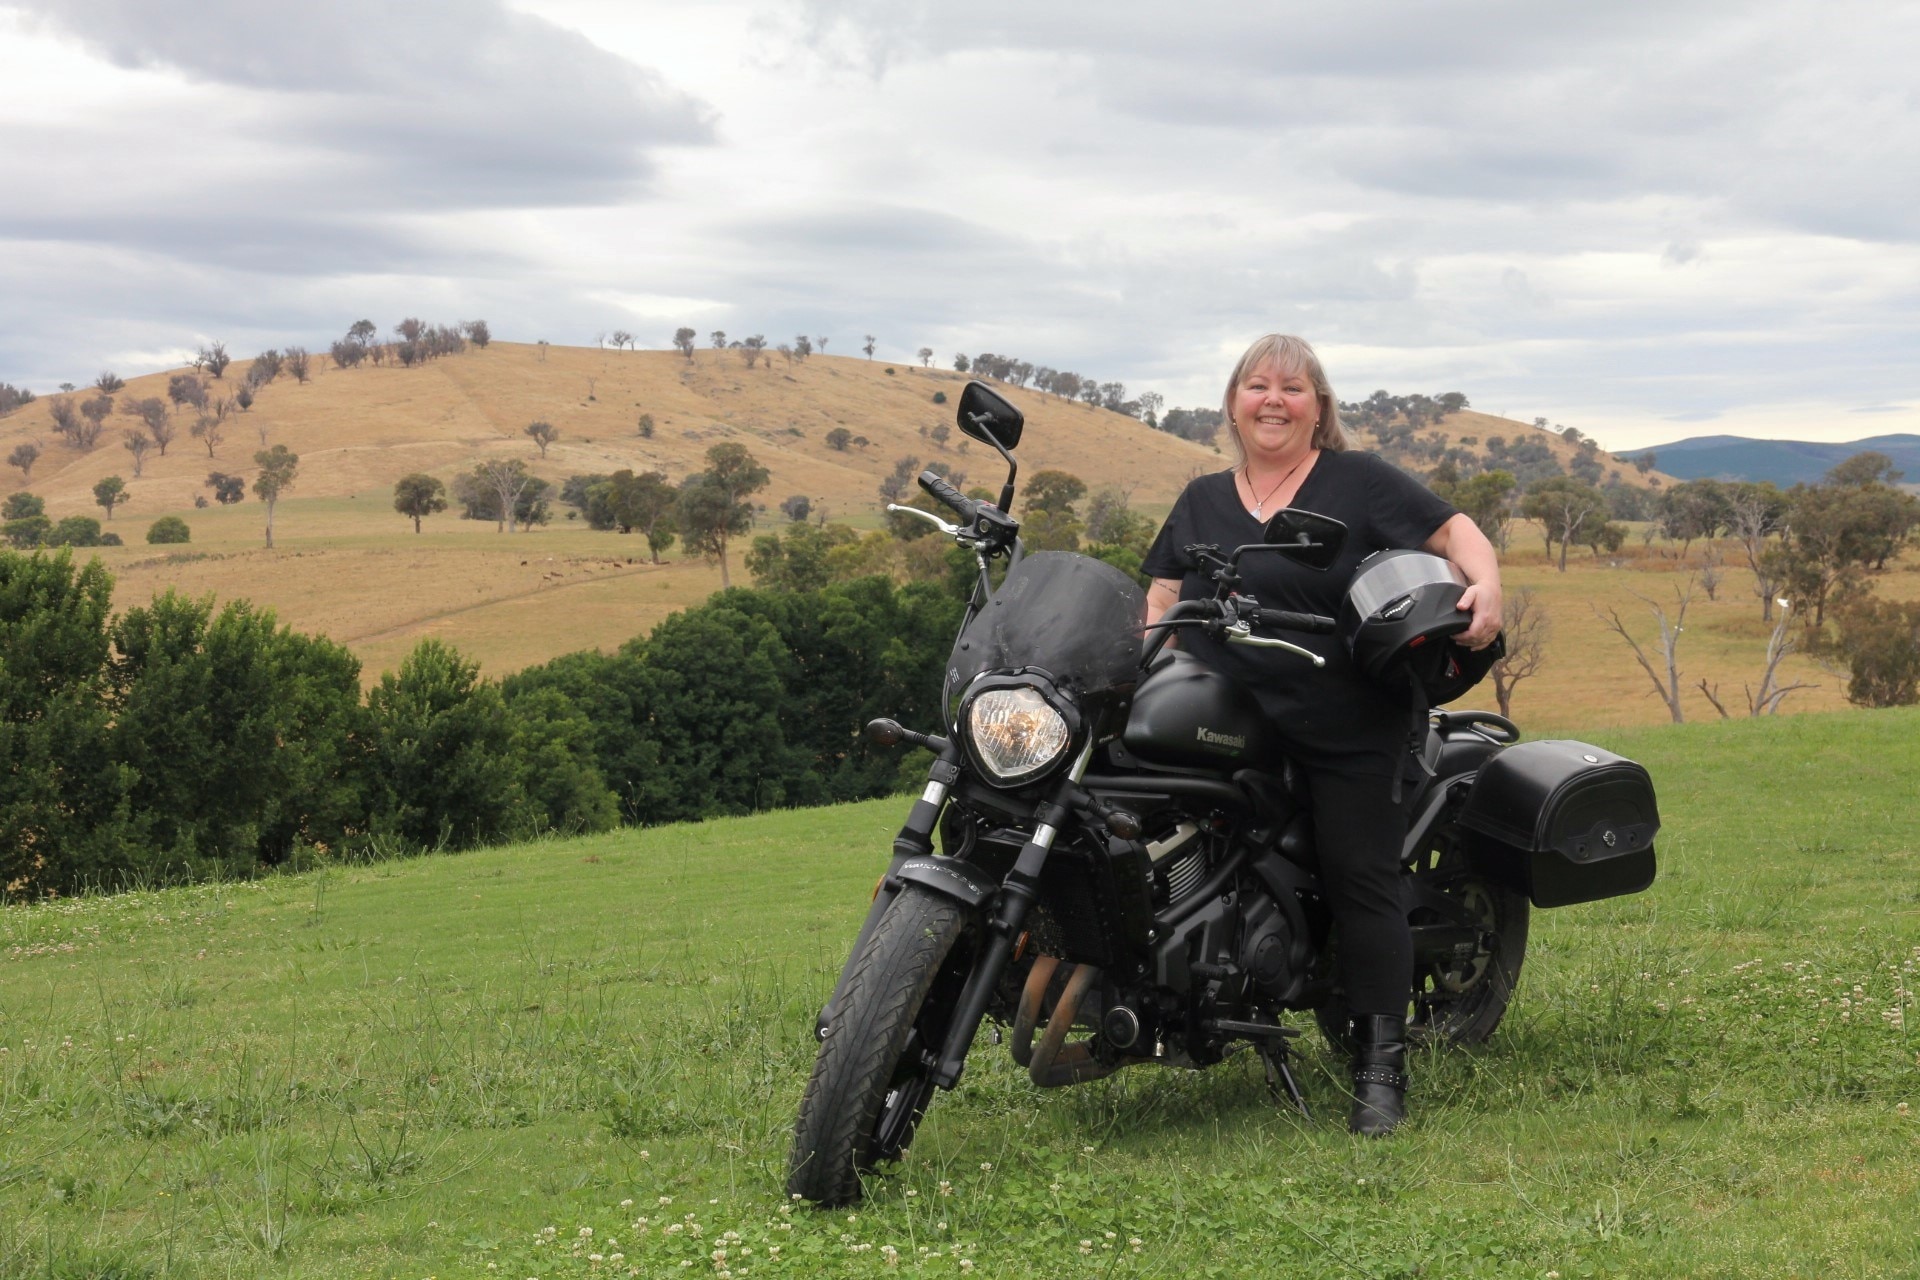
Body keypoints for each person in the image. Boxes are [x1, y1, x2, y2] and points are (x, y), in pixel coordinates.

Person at [1140, 334, 1502, 1135]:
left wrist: (1487, 588)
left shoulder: (1358, 480)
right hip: (1218, 710)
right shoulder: (1202, 495)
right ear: (1233, 402)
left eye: (1293, 389)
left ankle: (1379, 1068)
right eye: (1258, 386)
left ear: (1319, 408)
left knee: (1360, 876)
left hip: (1341, 712)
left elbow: (1453, 532)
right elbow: (1164, 595)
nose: (1274, 400)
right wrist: (1140, 663)